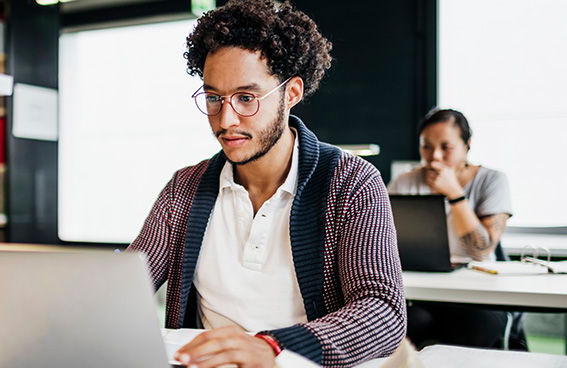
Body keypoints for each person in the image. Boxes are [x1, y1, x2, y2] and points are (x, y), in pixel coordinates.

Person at [128, 1, 406, 367]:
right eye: (214, 98)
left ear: (291, 93)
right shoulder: (185, 188)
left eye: (246, 98)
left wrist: (272, 347)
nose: (226, 120)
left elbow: (383, 312)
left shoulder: (351, 182)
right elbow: (126, 287)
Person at [387, 108, 516, 349]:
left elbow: (480, 249)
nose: (434, 156)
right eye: (426, 146)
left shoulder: (492, 180)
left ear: (466, 145)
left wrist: (455, 194)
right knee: (399, 329)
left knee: (469, 330)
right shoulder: (404, 182)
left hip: (478, 296)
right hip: (424, 292)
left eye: (446, 147)